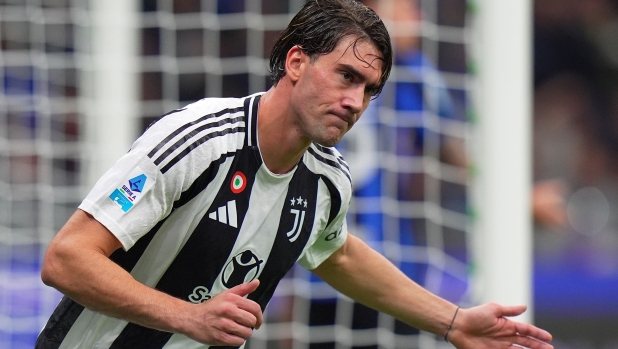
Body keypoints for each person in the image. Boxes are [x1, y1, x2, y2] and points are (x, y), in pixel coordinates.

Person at [36, 1, 554, 348]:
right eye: (346, 76)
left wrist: (455, 321)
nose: (355, 102)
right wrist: (188, 317)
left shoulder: (328, 181)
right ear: (297, 62)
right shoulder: (200, 139)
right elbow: (67, 258)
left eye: (369, 90)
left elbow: (338, 251)